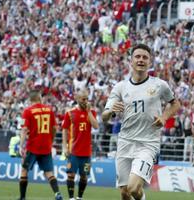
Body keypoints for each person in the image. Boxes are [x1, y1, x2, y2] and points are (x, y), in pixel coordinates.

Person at [102, 44, 180, 200]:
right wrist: (110, 111)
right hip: (125, 142)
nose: (141, 60)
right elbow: (104, 116)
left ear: (150, 62)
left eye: (145, 57)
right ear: (131, 61)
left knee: (133, 187)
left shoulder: (159, 85)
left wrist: (164, 117)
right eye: (137, 57)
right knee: (125, 192)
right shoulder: (120, 87)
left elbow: (175, 103)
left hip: (147, 143)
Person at [18, 90, 63, 200]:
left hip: (33, 146)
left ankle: (22, 197)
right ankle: (57, 193)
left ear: (30, 100)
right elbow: (54, 128)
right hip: (46, 146)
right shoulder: (49, 110)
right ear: (39, 98)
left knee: (24, 170)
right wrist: (50, 141)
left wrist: (20, 145)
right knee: (49, 173)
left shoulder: (28, 111)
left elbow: (24, 129)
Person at [62, 89, 99, 200]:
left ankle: (79, 197)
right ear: (77, 99)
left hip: (86, 152)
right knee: (70, 175)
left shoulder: (91, 112)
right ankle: (71, 198)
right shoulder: (70, 113)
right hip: (73, 151)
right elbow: (64, 130)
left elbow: (96, 126)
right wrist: (64, 146)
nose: (86, 101)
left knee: (84, 176)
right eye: (83, 99)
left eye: (87, 99)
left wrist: (88, 112)